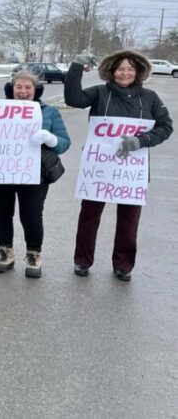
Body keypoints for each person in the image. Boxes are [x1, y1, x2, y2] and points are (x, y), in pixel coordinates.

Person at [65, 51, 172, 281]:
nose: (125, 73)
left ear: (139, 71)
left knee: (129, 220)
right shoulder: (100, 93)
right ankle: (82, 260)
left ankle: (123, 264)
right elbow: (74, 99)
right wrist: (76, 67)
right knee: (89, 217)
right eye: (121, 69)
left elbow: (165, 127)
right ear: (112, 71)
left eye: (130, 69)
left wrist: (141, 141)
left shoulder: (150, 98)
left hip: (132, 171)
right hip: (99, 168)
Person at [0, 71, 71, 278]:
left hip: (34, 172)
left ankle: (34, 254)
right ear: (11, 89)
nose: (23, 92)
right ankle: (6, 253)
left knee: (31, 215)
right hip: (1, 169)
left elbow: (64, 143)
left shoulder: (48, 111)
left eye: (28, 88)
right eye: (19, 87)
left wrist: (49, 139)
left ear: (35, 90)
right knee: (2, 212)